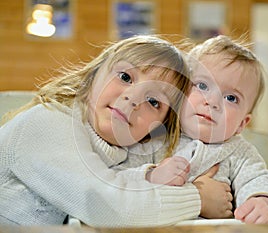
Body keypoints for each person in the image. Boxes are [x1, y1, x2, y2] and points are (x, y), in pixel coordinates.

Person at [0, 35, 232, 226]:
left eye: (153, 102)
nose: (133, 99)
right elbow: (105, 205)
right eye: (125, 77)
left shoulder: (121, 155)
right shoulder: (48, 121)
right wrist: (198, 198)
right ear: (94, 74)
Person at [115, 35, 268, 224]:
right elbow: (119, 178)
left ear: (242, 124)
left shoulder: (238, 152)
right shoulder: (156, 136)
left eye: (231, 98)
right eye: (202, 86)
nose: (212, 102)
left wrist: (263, 201)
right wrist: (151, 175)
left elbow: (257, 179)